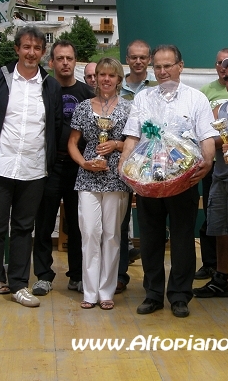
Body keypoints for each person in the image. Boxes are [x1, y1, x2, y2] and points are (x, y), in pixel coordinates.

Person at [0, 25, 62, 310]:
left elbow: (55, 126)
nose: (31, 53)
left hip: (33, 169)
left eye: (36, 48)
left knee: (24, 228)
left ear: (43, 52)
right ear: (17, 49)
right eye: (26, 47)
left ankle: (19, 285)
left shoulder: (50, 85)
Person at [119, 44, 217, 318]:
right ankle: (152, 294)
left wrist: (207, 161)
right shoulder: (143, 99)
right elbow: (133, 136)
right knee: (149, 238)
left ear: (180, 66)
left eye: (168, 65)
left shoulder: (195, 99)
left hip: (184, 180)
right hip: (149, 179)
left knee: (183, 238)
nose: (163, 71)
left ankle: (179, 295)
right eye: (158, 67)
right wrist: (124, 163)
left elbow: (207, 136)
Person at [32, 41, 94, 296]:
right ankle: (44, 276)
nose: (65, 63)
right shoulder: (42, 88)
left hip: (79, 167)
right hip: (48, 165)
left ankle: (77, 275)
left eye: (69, 58)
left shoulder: (87, 93)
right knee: (44, 223)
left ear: (75, 61)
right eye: (60, 58)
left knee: (79, 224)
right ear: (51, 62)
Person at [68, 57, 132, 310]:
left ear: (118, 79)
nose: (105, 79)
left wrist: (116, 144)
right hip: (88, 178)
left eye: (111, 75)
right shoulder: (84, 107)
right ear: (95, 79)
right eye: (101, 75)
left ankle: (106, 291)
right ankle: (89, 291)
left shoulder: (128, 108)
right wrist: (84, 163)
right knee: (90, 233)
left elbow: (133, 142)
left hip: (116, 177)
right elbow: (72, 142)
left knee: (112, 235)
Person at [192, 57, 228, 306]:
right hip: (220, 177)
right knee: (220, 232)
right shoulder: (221, 109)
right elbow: (210, 138)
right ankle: (221, 279)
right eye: (226, 77)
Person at [115, 39, 158, 295]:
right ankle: (119, 274)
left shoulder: (157, 88)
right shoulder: (116, 86)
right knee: (118, 220)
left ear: (149, 59)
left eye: (143, 57)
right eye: (134, 57)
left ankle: (152, 282)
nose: (139, 61)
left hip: (150, 164)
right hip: (118, 159)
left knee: (149, 222)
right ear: (127, 59)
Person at [195, 48, 228, 281]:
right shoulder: (208, 96)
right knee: (216, 222)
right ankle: (216, 272)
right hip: (217, 168)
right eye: (221, 64)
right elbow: (204, 131)